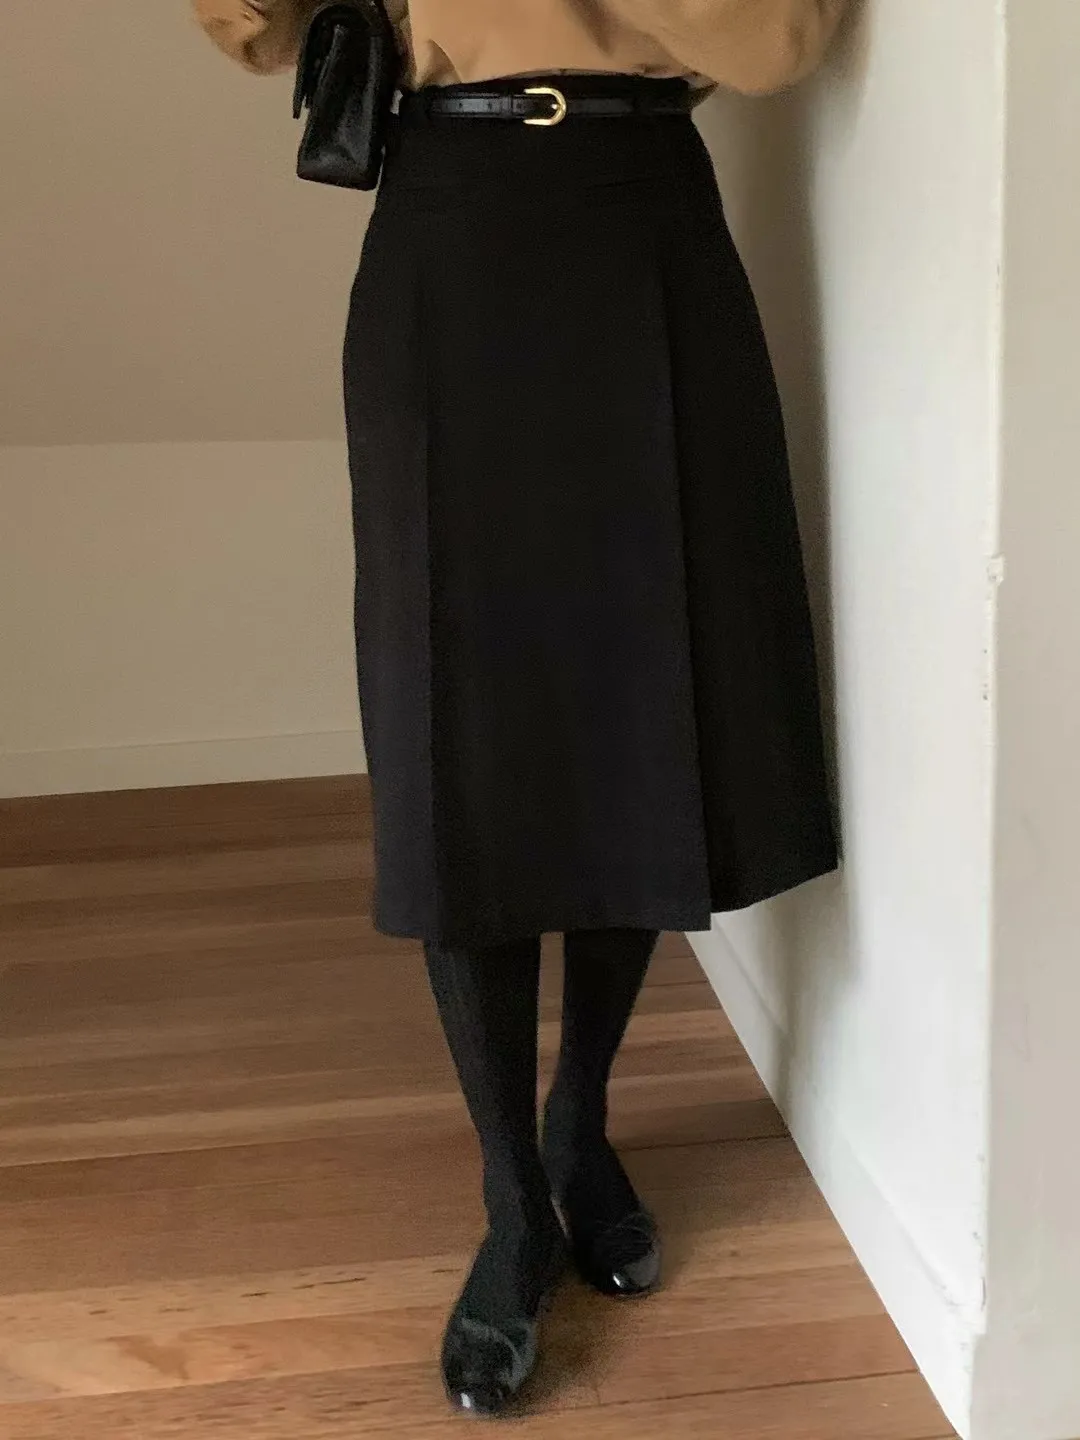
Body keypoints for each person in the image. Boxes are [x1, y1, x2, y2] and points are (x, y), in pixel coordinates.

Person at [193, 0, 845, 1418]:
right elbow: (251, 32)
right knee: (460, 723)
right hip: (450, 212)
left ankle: (578, 1121)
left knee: (632, 691)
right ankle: (510, 1200)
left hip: (645, 218)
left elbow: (777, 44)